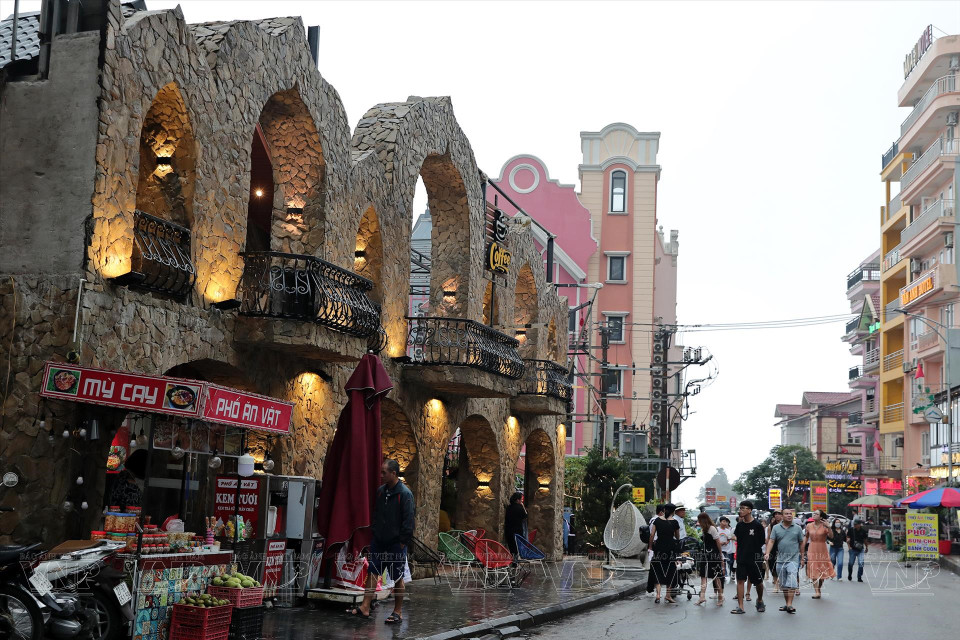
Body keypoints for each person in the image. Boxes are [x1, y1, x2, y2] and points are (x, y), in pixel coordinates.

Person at [347, 459, 415, 624]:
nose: (381, 475)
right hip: (379, 540)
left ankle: (397, 611)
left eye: (384, 472)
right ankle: (365, 606)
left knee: (397, 577)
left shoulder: (405, 494)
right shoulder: (380, 492)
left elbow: (409, 521)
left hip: (395, 543)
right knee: (372, 572)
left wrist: (402, 543)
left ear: (394, 473)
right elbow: (376, 514)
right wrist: (375, 534)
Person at [765, 508, 804, 615]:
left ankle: (790, 604)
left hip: (793, 559)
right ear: (782, 516)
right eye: (786, 514)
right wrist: (767, 553)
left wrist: (802, 557)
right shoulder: (776, 528)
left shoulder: (798, 528)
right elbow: (771, 541)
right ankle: (787, 604)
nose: (789, 515)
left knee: (791, 582)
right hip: (780, 560)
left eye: (790, 514)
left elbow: (801, 543)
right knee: (783, 584)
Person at [731, 500, 766, 614]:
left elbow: (761, 542)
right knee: (740, 581)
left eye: (743, 508)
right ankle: (741, 606)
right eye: (740, 508)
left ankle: (760, 600)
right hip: (741, 557)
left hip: (755, 558)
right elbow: (738, 539)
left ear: (750, 510)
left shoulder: (757, 525)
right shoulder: (739, 525)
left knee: (758, 582)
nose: (741, 510)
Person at [650, 503, 681, 604]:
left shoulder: (657, 520)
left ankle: (658, 595)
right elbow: (677, 537)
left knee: (658, 570)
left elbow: (652, 535)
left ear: (664, 510)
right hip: (670, 549)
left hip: (658, 548)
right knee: (670, 571)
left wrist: (650, 547)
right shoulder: (675, 522)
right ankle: (668, 595)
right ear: (673, 511)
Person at [803, 510, 835, 598]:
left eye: (816, 514)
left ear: (821, 517)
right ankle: (816, 591)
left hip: (822, 549)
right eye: (814, 513)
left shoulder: (825, 526)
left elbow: (831, 536)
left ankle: (819, 588)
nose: (814, 515)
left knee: (822, 571)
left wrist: (829, 527)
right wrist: (802, 548)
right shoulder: (809, 525)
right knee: (813, 568)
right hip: (812, 548)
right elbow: (806, 537)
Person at [695, 512, 724, 606]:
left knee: (716, 577)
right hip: (705, 555)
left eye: (699, 520)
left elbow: (718, 542)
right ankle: (702, 597)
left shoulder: (712, 529)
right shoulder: (704, 529)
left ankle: (720, 597)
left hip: (713, 555)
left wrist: (720, 555)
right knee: (703, 576)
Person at [646, 504, 666, 594]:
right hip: (655, 546)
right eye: (665, 512)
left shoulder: (656, 520)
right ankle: (650, 589)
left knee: (655, 568)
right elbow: (652, 535)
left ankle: (651, 589)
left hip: (656, 546)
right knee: (655, 568)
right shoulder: (655, 520)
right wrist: (650, 548)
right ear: (661, 512)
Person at [846, 518, 870, 582]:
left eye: (856, 524)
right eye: (854, 524)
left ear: (859, 524)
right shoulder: (851, 530)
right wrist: (849, 547)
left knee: (861, 563)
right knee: (851, 563)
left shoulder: (863, 531)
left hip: (860, 549)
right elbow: (847, 538)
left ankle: (859, 577)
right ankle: (850, 574)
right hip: (852, 549)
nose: (855, 525)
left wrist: (867, 547)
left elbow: (865, 540)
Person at [766, 511, 783, 589]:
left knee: (783, 565)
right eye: (775, 514)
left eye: (779, 514)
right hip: (773, 547)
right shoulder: (771, 526)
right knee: (772, 564)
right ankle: (776, 583)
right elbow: (769, 538)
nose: (777, 515)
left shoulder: (786, 524)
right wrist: (767, 551)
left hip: (783, 547)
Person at [717, 516, 736, 582]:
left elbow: (729, 539)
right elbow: (715, 539)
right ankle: (722, 575)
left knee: (727, 562)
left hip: (726, 549)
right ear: (720, 522)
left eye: (726, 522)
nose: (725, 523)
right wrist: (720, 543)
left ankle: (724, 575)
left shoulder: (728, 531)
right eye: (723, 521)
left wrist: (726, 542)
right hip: (718, 549)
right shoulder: (717, 529)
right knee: (721, 562)